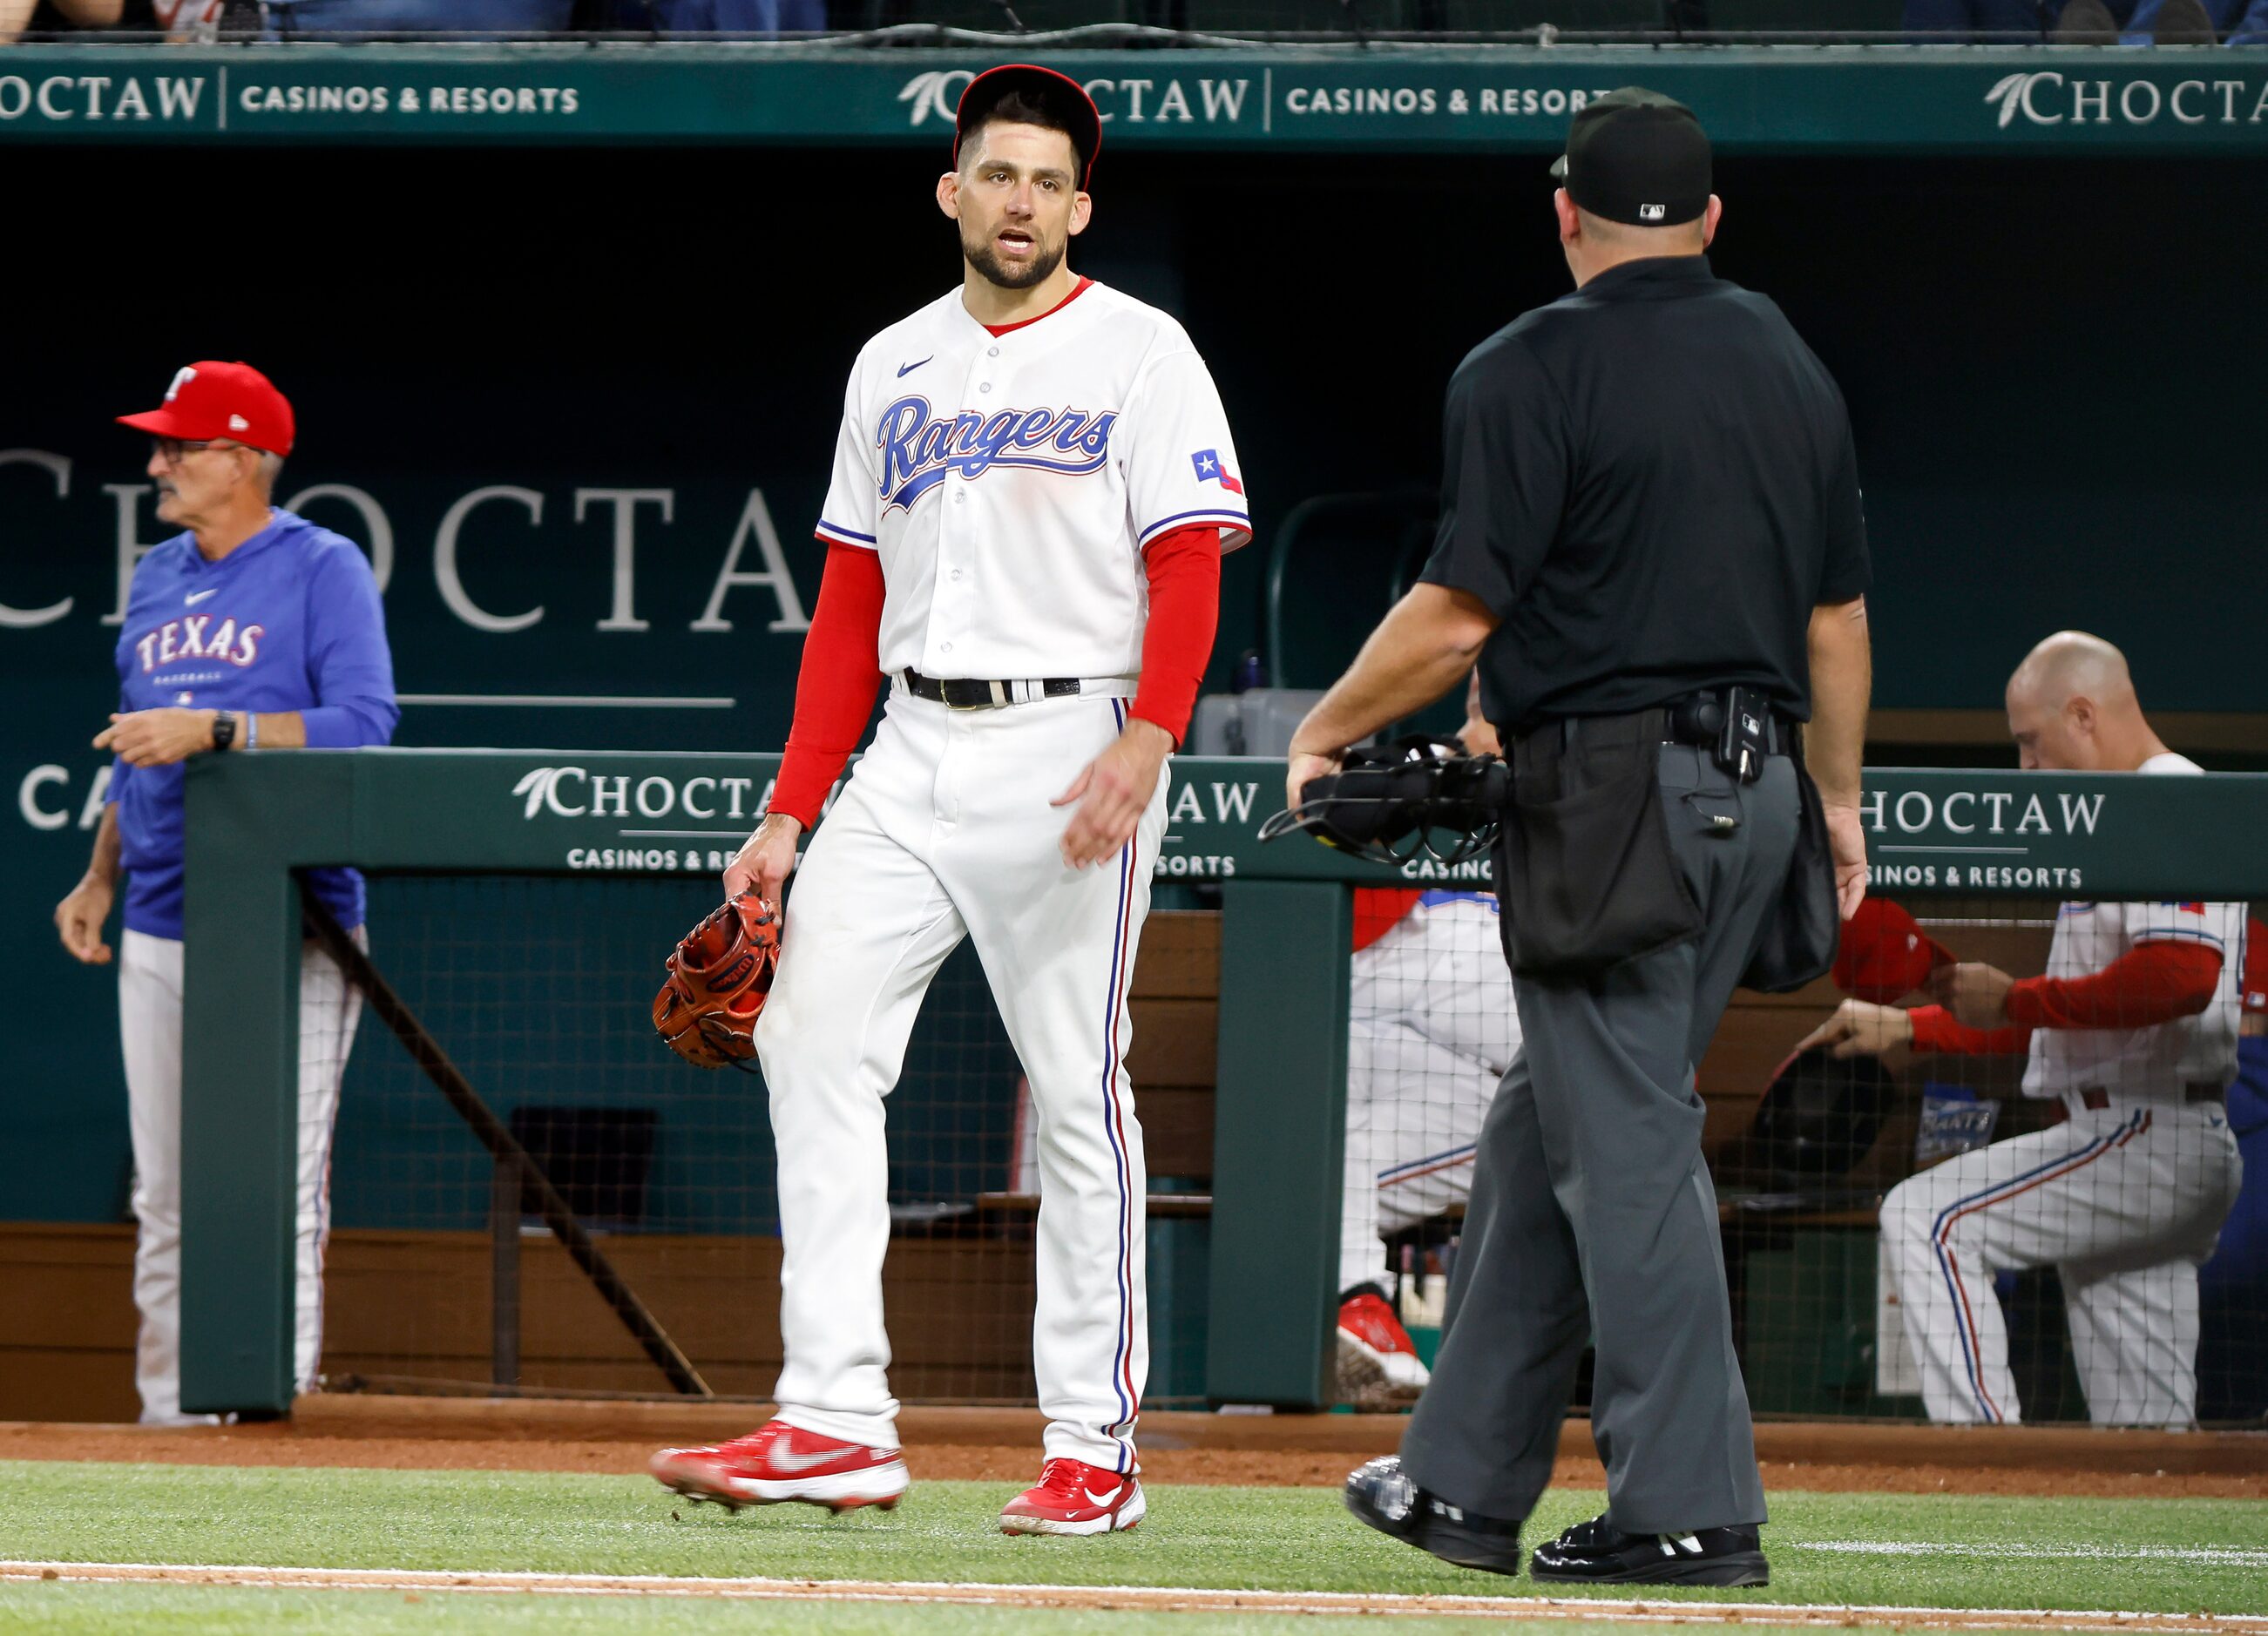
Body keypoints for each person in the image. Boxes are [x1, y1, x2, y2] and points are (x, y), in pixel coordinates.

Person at [647, 64, 1247, 1536]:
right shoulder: (891, 362)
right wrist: (791, 809)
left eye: (1048, 179)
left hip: (1072, 740)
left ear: (1077, 205)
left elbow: (1187, 558)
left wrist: (1151, 733)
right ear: (952, 191)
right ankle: (837, 1416)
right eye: (998, 174)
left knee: (1075, 1089)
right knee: (806, 1030)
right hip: (906, 747)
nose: (1022, 200)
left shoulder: (1140, 349)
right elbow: (847, 601)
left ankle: (1091, 1443)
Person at [1300, 87, 1872, 1587]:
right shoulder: (1788, 359)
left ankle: (1690, 1507)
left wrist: (1319, 728)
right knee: (1543, 1129)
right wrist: (1837, 801)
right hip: (1748, 799)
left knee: (1624, 1152)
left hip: (1617, 802)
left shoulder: (1526, 362)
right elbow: (1835, 615)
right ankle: (1457, 1481)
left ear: (1564, 215)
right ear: (1708, 219)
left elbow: (1455, 612)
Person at [51, 361, 397, 1425]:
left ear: (243, 458)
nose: (157, 462)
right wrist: (98, 874)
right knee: (163, 1196)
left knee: (275, 1193)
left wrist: (223, 730)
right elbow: (133, 739)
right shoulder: (156, 576)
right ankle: (171, 1419)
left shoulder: (320, 566)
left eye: (180, 445)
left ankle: (267, 1411)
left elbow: (366, 724)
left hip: (291, 920)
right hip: (158, 910)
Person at [1805, 632, 2245, 1428]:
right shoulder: (2112, 823)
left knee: (1926, 1220)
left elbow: (2182, 978)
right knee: (2142, 1444)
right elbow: (2064, 1030)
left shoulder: (2165, 794)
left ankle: (1979, 1467)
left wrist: (2014, 999)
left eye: (2029, 743)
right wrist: (1914, 1030)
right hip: (2141, 1135)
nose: (2026, 769)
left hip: (2147, 1133)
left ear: (2081, 714)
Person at [1336, 679, 1515, 1410]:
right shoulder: (1418, 784)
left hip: (1510, 1093)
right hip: (1393, 1052)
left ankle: (1353, 1311)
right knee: (1316, 1123)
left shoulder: (1598, 781)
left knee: (1326, 1168)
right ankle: (1356, 1317)